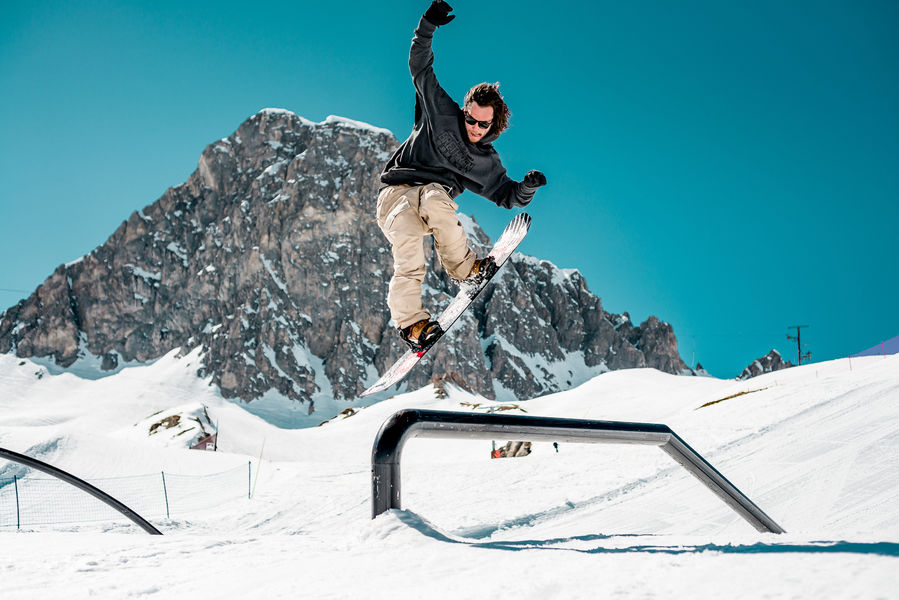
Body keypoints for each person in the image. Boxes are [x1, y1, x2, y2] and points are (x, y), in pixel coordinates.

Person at [377, 0, 547, 351]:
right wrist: (427, 25)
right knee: (409, 250)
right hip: (396, 195)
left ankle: (466, 270)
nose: (473, 127)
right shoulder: (440, 110)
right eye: (470, 118)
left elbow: (506, 194)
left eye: (482, 124)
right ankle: (411, 326)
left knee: (438, 199)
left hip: (432, 198)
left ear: (493, 126)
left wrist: (527, 188)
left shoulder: (485, 161)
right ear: (465, 110)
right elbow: (419, 65)